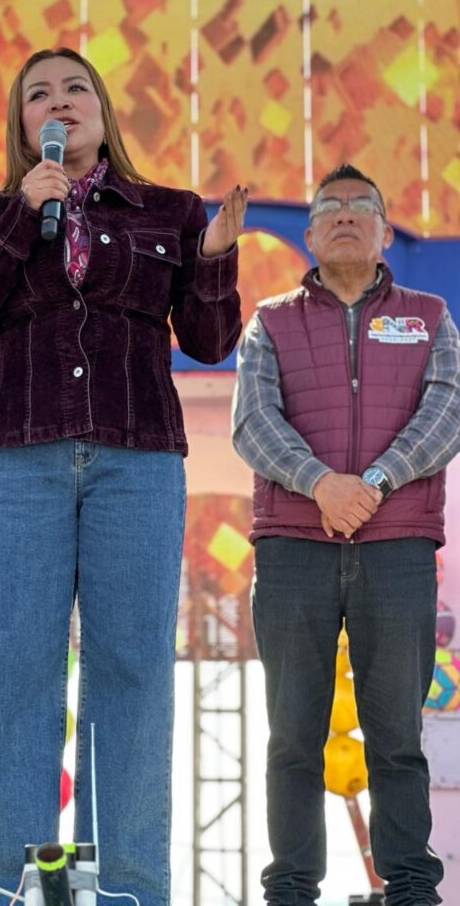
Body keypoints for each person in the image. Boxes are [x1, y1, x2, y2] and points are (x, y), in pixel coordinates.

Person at [0, 47, 246, 906]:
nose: (59, 102)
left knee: (131, 669)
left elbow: (210, 342)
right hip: (22, 462)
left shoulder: (170, 212)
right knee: (14, 667)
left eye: (76, 88)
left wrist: (215, 258)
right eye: (39, 94)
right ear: (23, 124)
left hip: (137, 461)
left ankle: (130, 890)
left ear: (103, 112)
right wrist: (19, 215)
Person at [232, 163, 460, 905]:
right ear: (310, 235)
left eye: (363, 206)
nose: (346, 216)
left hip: (398, 550)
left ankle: (411, 887)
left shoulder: (430, 317)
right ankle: (291, 888)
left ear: (386, 232)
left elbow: (448, 410)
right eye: (330, 207)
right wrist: (322, 484)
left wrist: (376, 484)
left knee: (397, 735)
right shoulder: (270, 321)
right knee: (292, 735)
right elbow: (252, 421)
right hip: (293, 548)